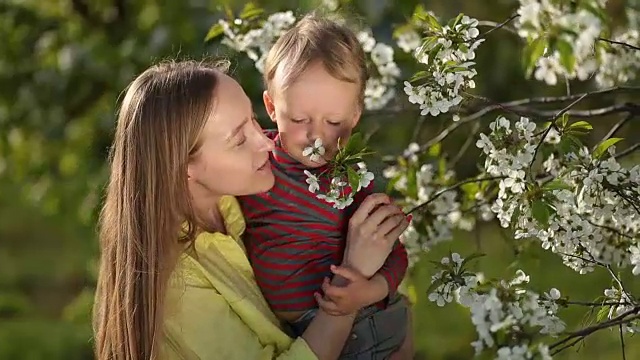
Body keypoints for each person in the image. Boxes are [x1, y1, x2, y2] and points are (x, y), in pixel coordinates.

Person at [92, 59, 411, 360]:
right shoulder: (178, 285)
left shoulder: (237, 203)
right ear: (183, 166)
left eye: (254, 121)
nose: (267, 143)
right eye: (238, 140)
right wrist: (350, 280)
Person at [238, 14, 410, 359]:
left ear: (356, 115)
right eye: (299, 120)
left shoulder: (354, 181)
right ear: (272, 107)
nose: (317, 136)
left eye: (334, 122)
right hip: (293, 334)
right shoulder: (257, 161)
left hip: (364, 327)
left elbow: (396, 254)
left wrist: (367, 290)